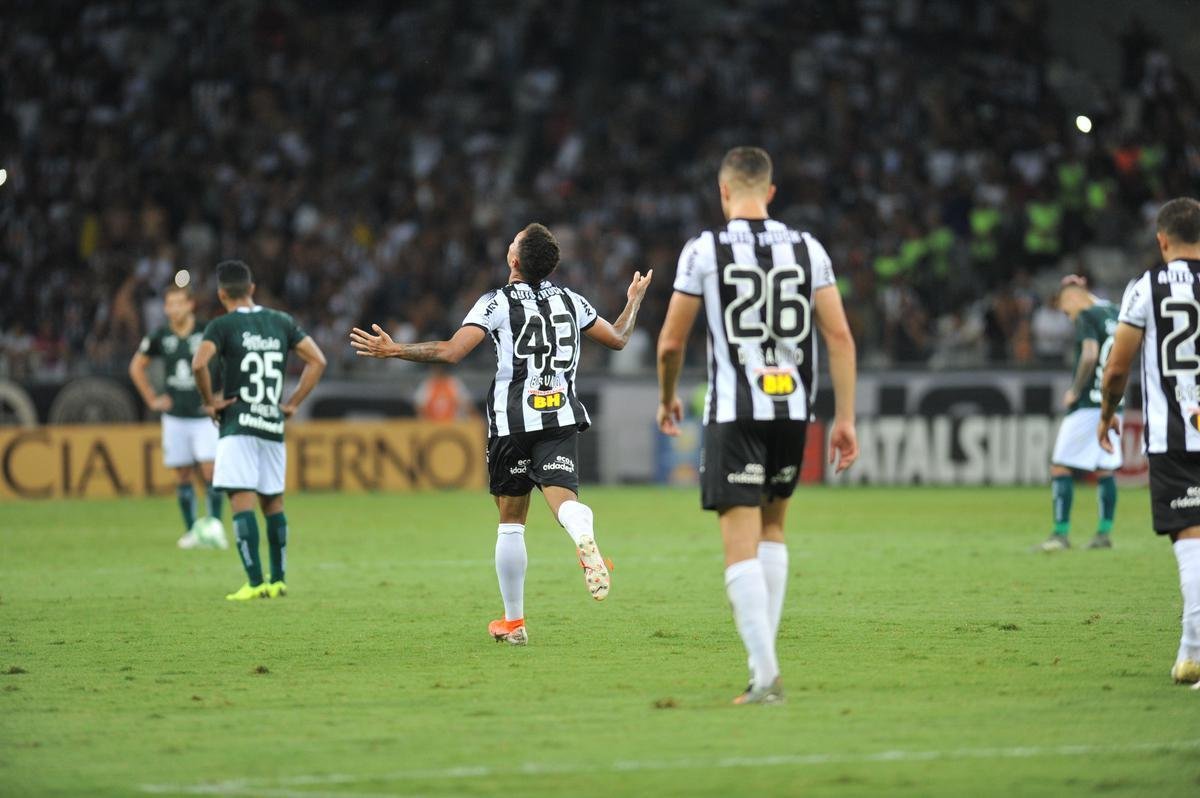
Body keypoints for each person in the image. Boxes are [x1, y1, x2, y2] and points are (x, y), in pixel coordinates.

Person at [350, 223, 652, 646]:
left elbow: (453, 351)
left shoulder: (495, 302)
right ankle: (583, 536)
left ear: (514, 260)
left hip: (511, 423)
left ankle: (514, 624)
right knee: (565, 502)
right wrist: (633, 302)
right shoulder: (572, 300)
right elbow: (618, 338)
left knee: (511, 522)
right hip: (560, 416)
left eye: (512, 243)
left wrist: (395, 349)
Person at [656, 146, 858, 705]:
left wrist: (669, 397)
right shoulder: (808, 248)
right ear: (770, 192)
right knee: (773, 530)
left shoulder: (704, 250)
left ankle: (766, 674)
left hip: (735, 410)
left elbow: (672, 340)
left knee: (739, 544)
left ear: (724, 192)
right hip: (793, 411)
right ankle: (761, 666)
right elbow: (839, 337)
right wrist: (845, 417)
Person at [1099, 197, 1200, 687]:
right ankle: (1188, 650)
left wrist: (1106, 413)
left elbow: (1117, 367)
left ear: (1163, 241)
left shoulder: (1147, 287)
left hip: (1176, 437)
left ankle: (1196, 651)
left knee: (1192, 536)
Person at [192, 261, 327, 601]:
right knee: (274, 503)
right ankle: (278, 579)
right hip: (271, 423)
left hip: (238, 424)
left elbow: (198, 363)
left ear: (222, 294)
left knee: (242, 502)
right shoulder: (281, 321)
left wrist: (210, 402)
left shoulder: (220, 326)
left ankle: (254, 583)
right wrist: (293, 403)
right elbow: (318, 360)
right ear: (252, 289)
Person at [128, 285, 226, 549]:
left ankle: (215, 527)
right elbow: (137, 366)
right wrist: (151, 398)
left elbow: (229, 359)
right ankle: (192, 530)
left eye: (179, 303)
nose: (174, 309)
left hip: (204, 415)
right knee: (182, 474)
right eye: (170, 304)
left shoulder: (208, 330)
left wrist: (219, 394)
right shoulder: (160, 336)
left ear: (191, 304)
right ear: (164, 308)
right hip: (175, 417)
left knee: (210, 471)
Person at [1035, 276, 1122, 552]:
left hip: (1086, 404)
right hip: (1111, 402)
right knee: (1104, 469)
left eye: (1065, 310)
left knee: (1060, 465)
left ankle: (1060, 534)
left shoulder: (1086, 314)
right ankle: (1103, 533)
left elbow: (1088, 354)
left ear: (1072, 298)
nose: (1068, 317)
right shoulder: (1116, 312)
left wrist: (1074, 389)